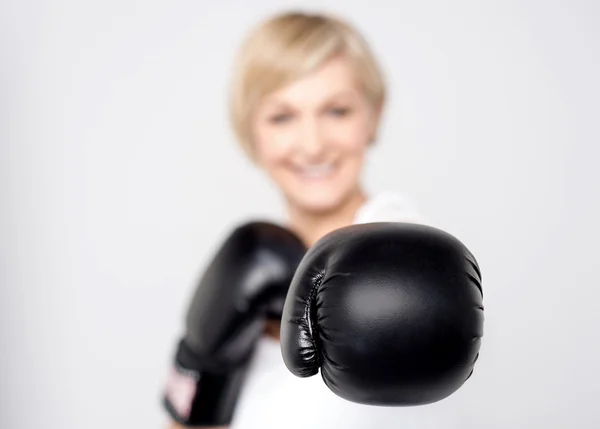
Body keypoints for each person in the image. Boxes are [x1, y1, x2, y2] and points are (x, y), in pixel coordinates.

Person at [163, 10, 483, 429]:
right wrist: (202, 364)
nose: (312, 145)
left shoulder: (409, 258)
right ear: (249, 131)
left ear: (374, 114)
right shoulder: (255, 264)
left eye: (337, 111)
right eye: (282, 117)